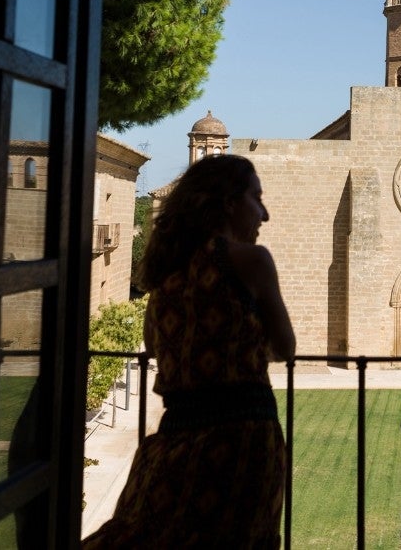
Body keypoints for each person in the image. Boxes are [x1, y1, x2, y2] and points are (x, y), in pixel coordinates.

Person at [83, 153, 296, 549]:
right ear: (230, 203)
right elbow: (286, 346)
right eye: (257, 198)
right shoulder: (251, 261)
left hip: (175, 436)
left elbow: (156, 347)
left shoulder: (165, 271)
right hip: (243, 441)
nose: (263, 214)